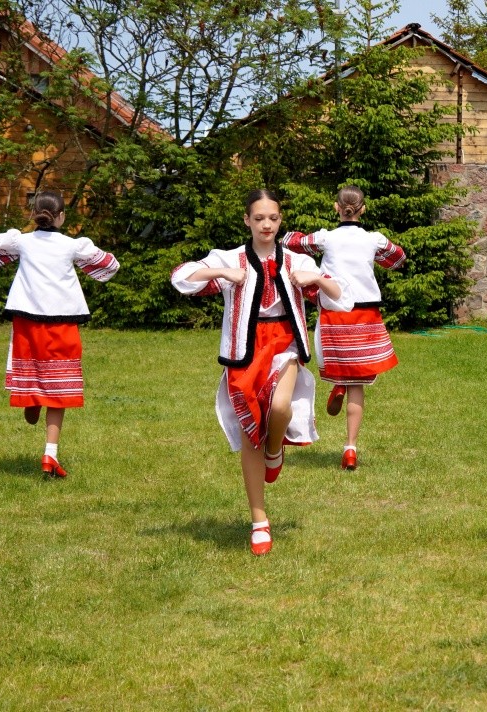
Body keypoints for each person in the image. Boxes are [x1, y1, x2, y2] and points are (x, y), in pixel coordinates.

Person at [171, 189, 351, 556]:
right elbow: (182, 277)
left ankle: (274, 451)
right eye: (259, 218)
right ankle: (259, 521)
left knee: (281, 407)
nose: (266, 225)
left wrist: (315, 280)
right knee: (249, 432)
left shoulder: (296, 260)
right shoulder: (230, 258)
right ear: (247, 221)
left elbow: (341, 295)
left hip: (285, 343)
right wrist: (222, 272)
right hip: (244, 351)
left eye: (273, 218)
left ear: (280, 220)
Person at [0, 191, 119, 477]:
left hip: (26, 321)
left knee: (31, 371)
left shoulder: (22, 241)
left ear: (33, 214)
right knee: (59, 389)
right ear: (62, 216)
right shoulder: (72, 245)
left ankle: (31, 399)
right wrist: (82, 259)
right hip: (63, 322)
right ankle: (50, 453)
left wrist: (13, 241)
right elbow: (110, 265)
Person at [282, 185, 405, 471]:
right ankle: (350, 448)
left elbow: (290, 241)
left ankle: (339, 383)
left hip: (335, 315)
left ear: (336, 208)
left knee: (342, 368)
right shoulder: (373, 239)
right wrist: (374, 255)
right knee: (358, 385)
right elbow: (397, 259)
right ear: (364, 209)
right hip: (365, 317)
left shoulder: (326, 238)